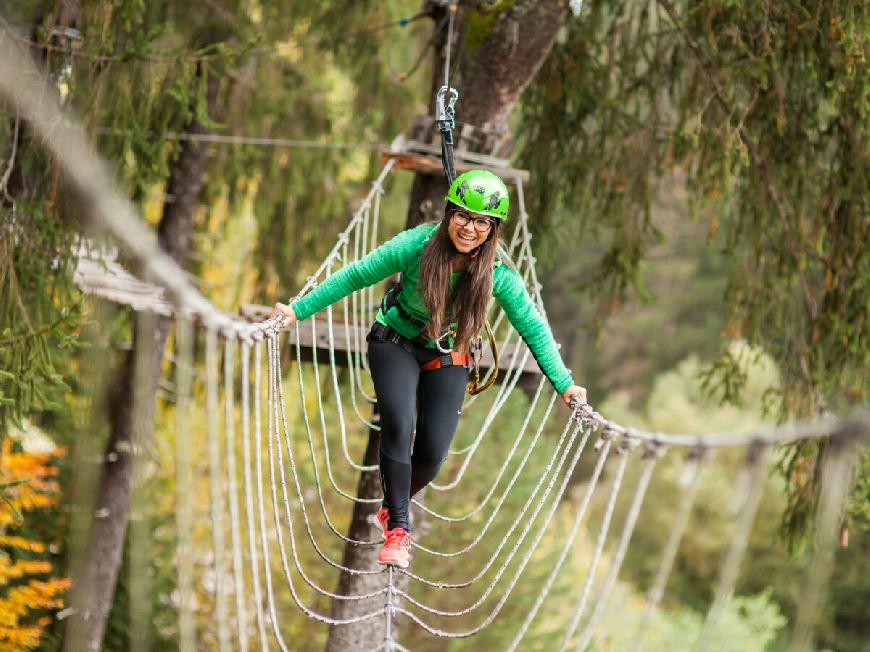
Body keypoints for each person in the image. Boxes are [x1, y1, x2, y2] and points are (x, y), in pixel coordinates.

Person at [271, 169, 586, 568]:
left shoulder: (498, 274)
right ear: (449, 213)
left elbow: (532, 325)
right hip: (395, 341)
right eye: (463, 216)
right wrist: (297, 311)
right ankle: (399, 530)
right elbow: (355, 275)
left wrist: (565, 384)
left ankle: (391, 506)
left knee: (434, 452)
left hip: (448, 354)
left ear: (493, 229)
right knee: (400, 425)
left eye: (482, 222)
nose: (469, 228)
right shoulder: (416, 245)